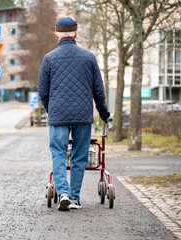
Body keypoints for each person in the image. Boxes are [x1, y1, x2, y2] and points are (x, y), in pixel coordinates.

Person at [38, 17, 110, 211]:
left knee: (59, 153)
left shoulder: (49, 58)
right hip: (82, 115)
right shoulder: (88, 57)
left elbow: (42, 91)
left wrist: (50, 109)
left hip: (58, 114)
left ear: (56, 34)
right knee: (79, 156)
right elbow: (98, 90)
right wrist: (104, 113)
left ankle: (63, 193)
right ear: (76, 33)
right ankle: (76, 198)